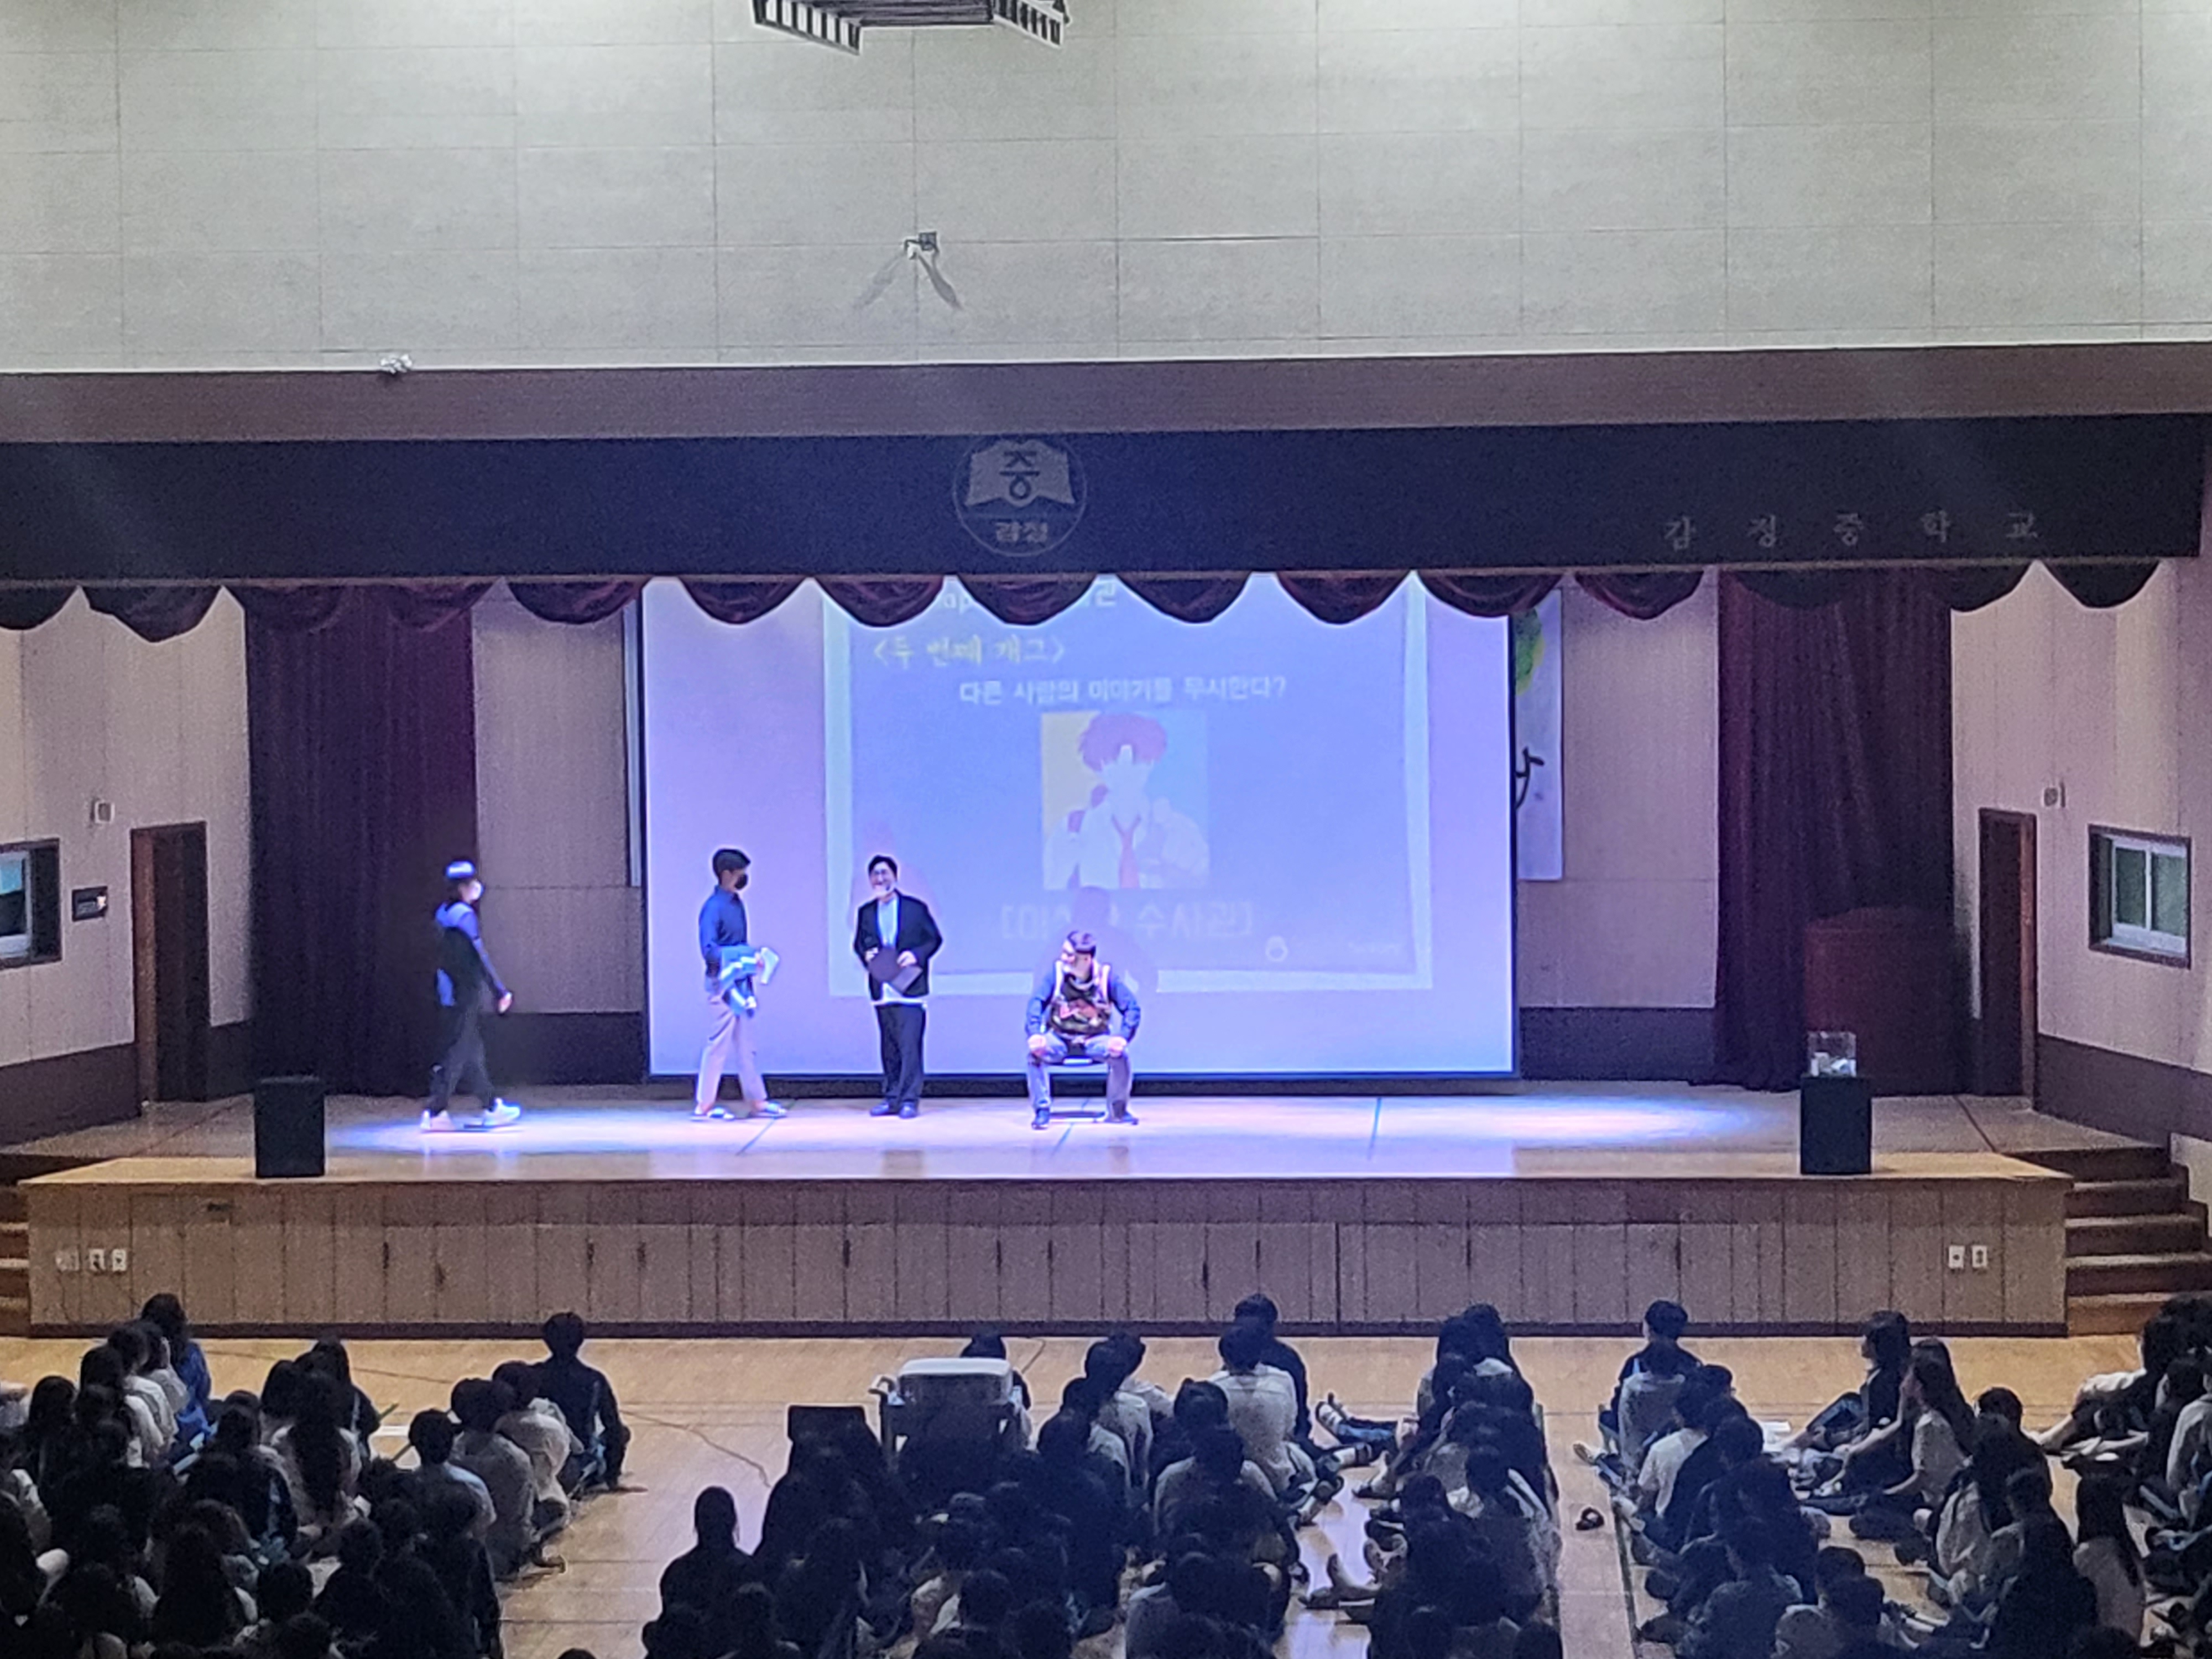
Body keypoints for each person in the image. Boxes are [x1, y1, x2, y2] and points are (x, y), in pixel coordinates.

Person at [1045, 711, 1209, 890]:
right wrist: (1063, 872)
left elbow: (1209, 886)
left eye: (1137, 759)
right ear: (1099, 765)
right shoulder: (1071, 831)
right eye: (1113, 759)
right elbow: (1045, 893)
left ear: (1151, 763)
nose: (1125, 770)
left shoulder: (1180, 830)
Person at [423, 859, 521, 1132]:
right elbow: (479, 956)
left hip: (447, 990)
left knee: (471, 1051)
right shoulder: (464, 916)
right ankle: (436, 1110)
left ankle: (491, 1105)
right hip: (464, 992)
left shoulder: (443, 913)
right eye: (471, 883)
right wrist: (499, 990)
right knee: (457, 1051)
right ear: (463, 887)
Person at [695, 847, 785, 1123]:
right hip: (722, 987)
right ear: (726, 874)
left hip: (741, 985)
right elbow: (709, 951)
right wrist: (745, 956)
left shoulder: (737, 903)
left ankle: (758, 1100)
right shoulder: (713, 908)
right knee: (719, 1045)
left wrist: (750, 961)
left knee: (747, 1046)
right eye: (740, 873)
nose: (744, 878)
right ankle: (705, 1105)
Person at [852, 855, 942, 1120]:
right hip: (882, 990)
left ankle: (910, 1100)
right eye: (875, 874)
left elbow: (934, 939)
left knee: (910, 1047)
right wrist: (867, 956)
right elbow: (859, 944)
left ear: (895, 876)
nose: (880, 879)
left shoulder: (915, 908)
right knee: (889, 1047)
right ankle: (892, 1097)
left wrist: (916, 955)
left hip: (910, 988)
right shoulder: (866, 912)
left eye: (885, 873)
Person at [1024, 930, 1141, 1130]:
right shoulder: (1057, 974)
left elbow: (1132, 1008)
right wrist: (1035, 1033)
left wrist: (1123, 1037)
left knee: (1121, 1056)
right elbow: (1037, 1002)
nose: (1064, 958)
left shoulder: (1106, 977)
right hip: (1060, 1038)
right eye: (1064, 952)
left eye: (1070, 955)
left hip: (1095, 1039)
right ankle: (1042, 1110)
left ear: (1086, 959)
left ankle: (1118, 1110)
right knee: (1035, 1055)